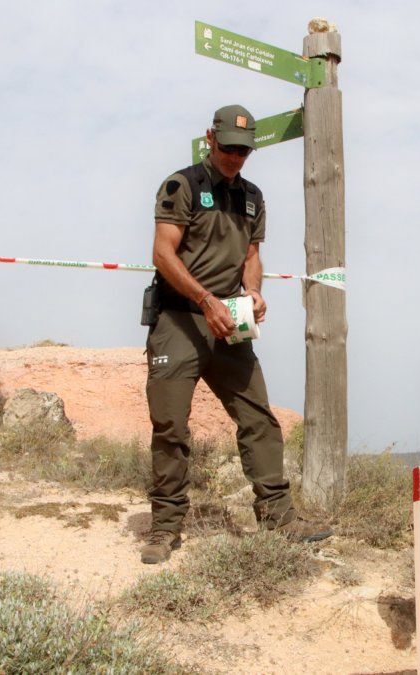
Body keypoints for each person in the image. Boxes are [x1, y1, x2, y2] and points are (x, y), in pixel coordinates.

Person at [140, 104, 330, 565]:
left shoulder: (252, 197)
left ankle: (278, 517)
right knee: (170, 426)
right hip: (181, 320)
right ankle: (165, 527)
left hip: (231, 325)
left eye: (243, 151)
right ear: (210, 138)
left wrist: (253, 292)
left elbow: (251, 255)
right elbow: (163, 254)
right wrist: (207, 302)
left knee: (259, 417)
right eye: (228, 148)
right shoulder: (181, 185)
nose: (235, 157)